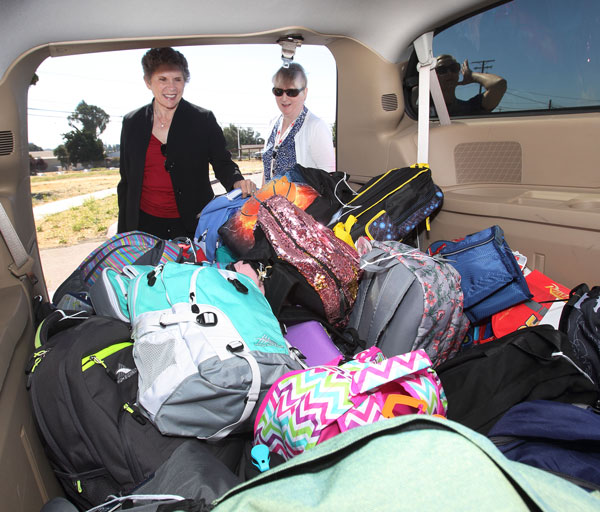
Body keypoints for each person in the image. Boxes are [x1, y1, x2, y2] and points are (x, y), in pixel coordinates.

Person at [117, 47, 256, 240]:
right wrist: (123, 233)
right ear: (148, 82)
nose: (171, 87)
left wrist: (237, 182)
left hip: (192, 226)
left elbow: (223, 163)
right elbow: (126, 182)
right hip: (144, 226)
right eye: (162, 79)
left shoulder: (202, 119)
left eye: (177, 79)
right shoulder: (132, 122)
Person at [262, 63, 335, 184]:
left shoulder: (316, 127)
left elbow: (328, 178)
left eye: (291, 92)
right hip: (269, 200)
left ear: (305, 93)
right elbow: (266, 173)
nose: (284, 98)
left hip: (303, 202)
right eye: (278, 91)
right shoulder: (272, 124)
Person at [435, 54, 507, 116]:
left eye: (454, 68)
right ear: (433, 76)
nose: (449, 73)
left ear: (458, 74)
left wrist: (471, 75)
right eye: (442, 70)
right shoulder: (425, 107)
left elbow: (499, 84)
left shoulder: (469, 108)